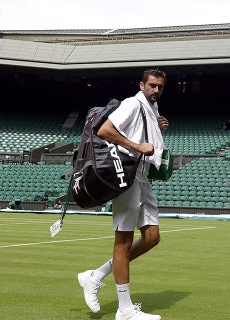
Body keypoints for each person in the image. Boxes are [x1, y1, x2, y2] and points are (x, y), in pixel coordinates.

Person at [77, 69, 169, 320]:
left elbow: (147, 141)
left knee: (152, 237)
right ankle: (125, 310)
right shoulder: (132, 104)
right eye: (152, 85)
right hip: (127, 174)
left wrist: (158, 130)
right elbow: (105, 130)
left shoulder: (152, 109)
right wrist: (137, 146)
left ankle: (95, 276)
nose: (156, 90)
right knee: (124, 240)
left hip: (144, 176)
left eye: (160, 86)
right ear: (142, 85)